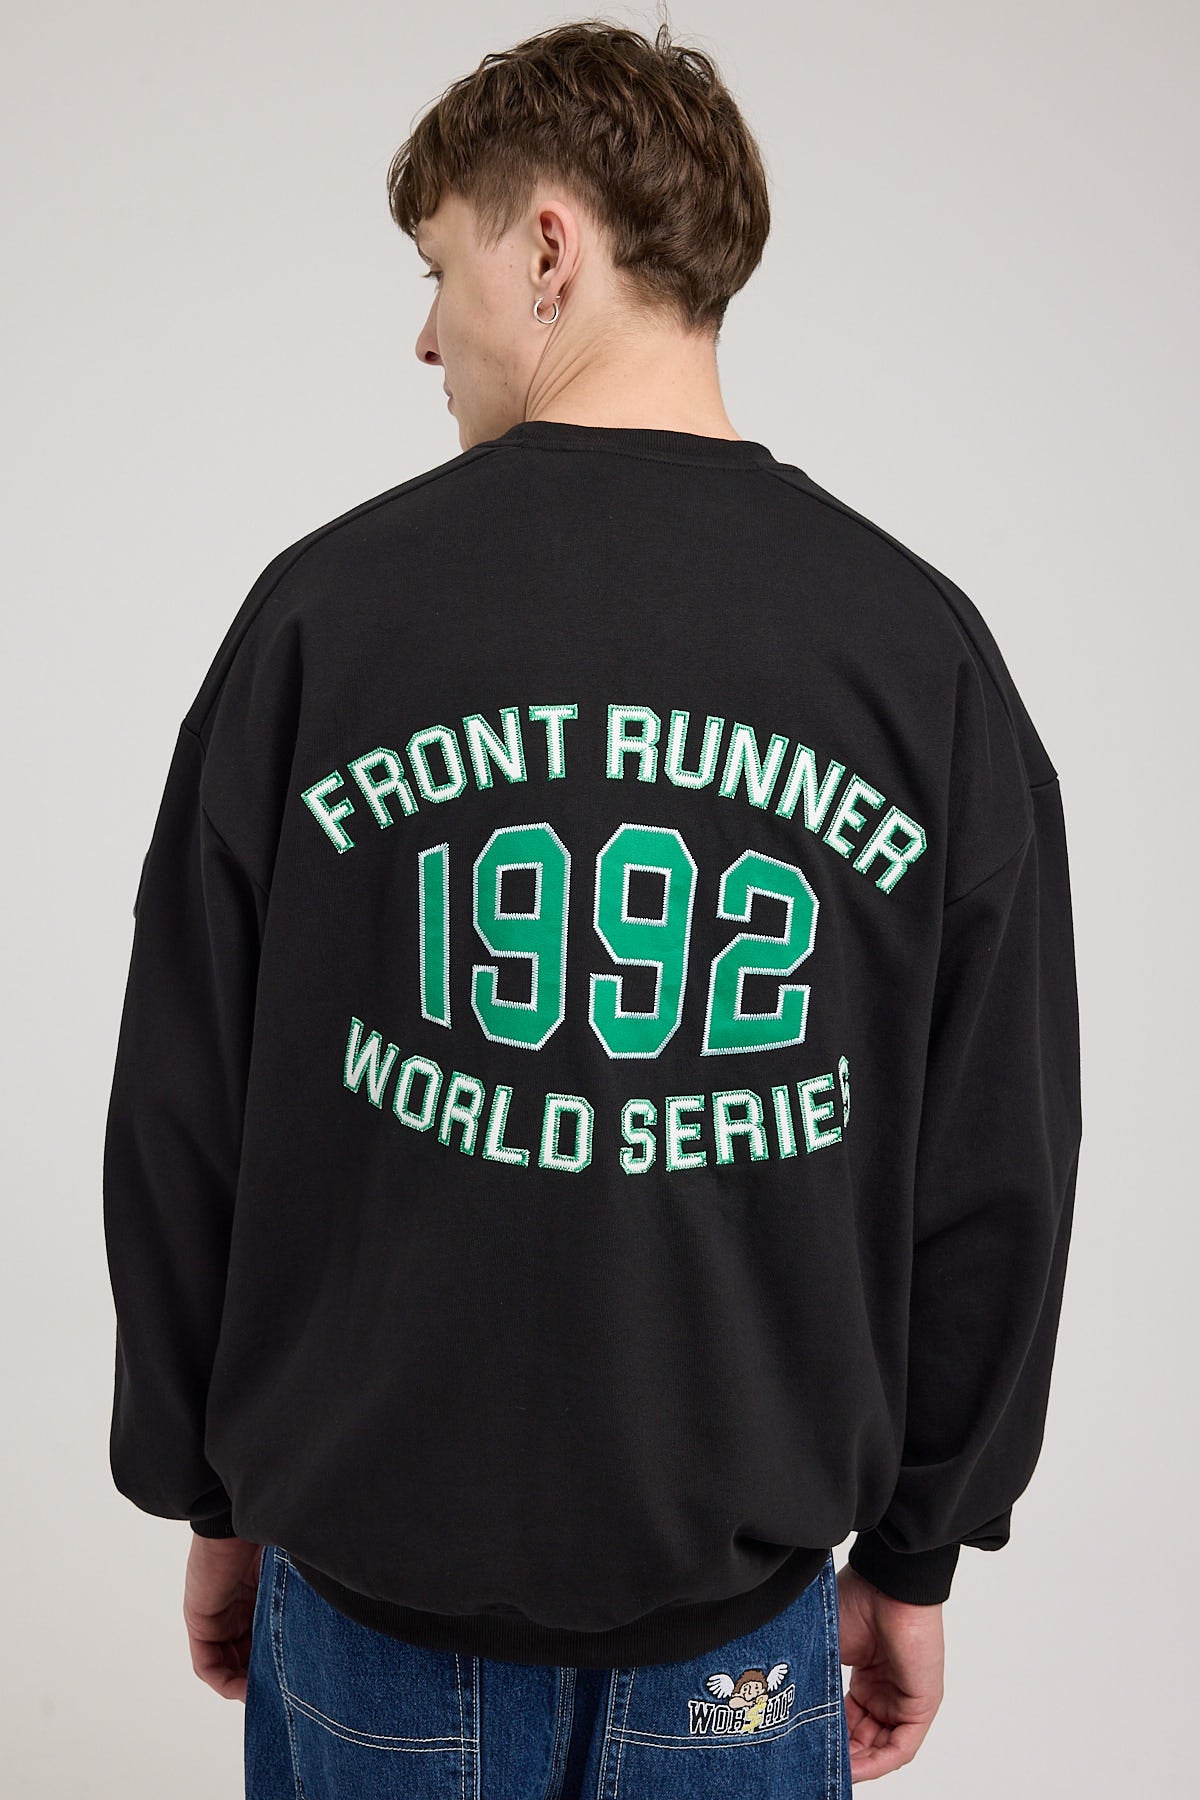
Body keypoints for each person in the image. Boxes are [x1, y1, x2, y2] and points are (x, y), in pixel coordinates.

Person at [102, 19, 1082, 1796]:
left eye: (438, 267)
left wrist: (209, 1492)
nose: (424, 334)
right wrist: (922, 1547)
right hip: (742, 1630)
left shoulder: (324, 617)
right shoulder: (914, 655)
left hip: (371, 1608)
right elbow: (994, 1162)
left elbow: (186, 1108)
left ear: (549, 245)